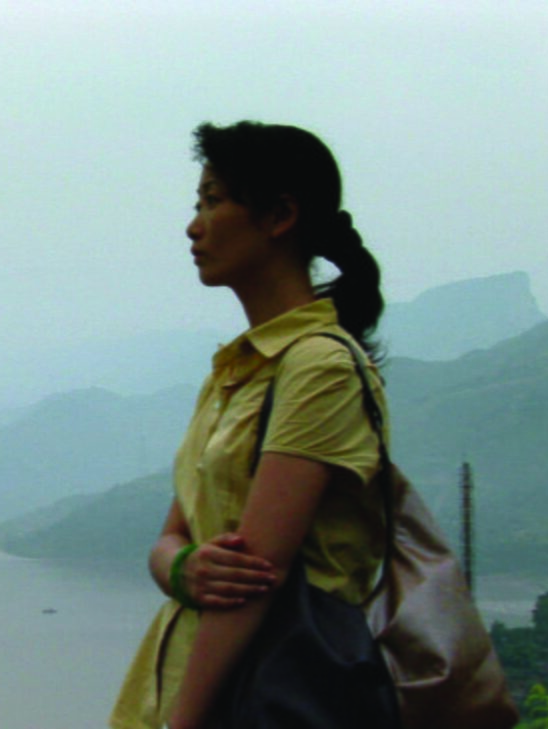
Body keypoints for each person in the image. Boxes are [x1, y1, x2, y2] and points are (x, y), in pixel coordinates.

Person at [109, 121, 391, 729]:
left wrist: (184, 723)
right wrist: (183, 567)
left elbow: (257, 577)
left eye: (213, 201)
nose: (194, 226)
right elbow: (170, 540)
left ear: (279, 216)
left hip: (260, 699)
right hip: (191, 686)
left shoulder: (318, 367)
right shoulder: (237, 371)